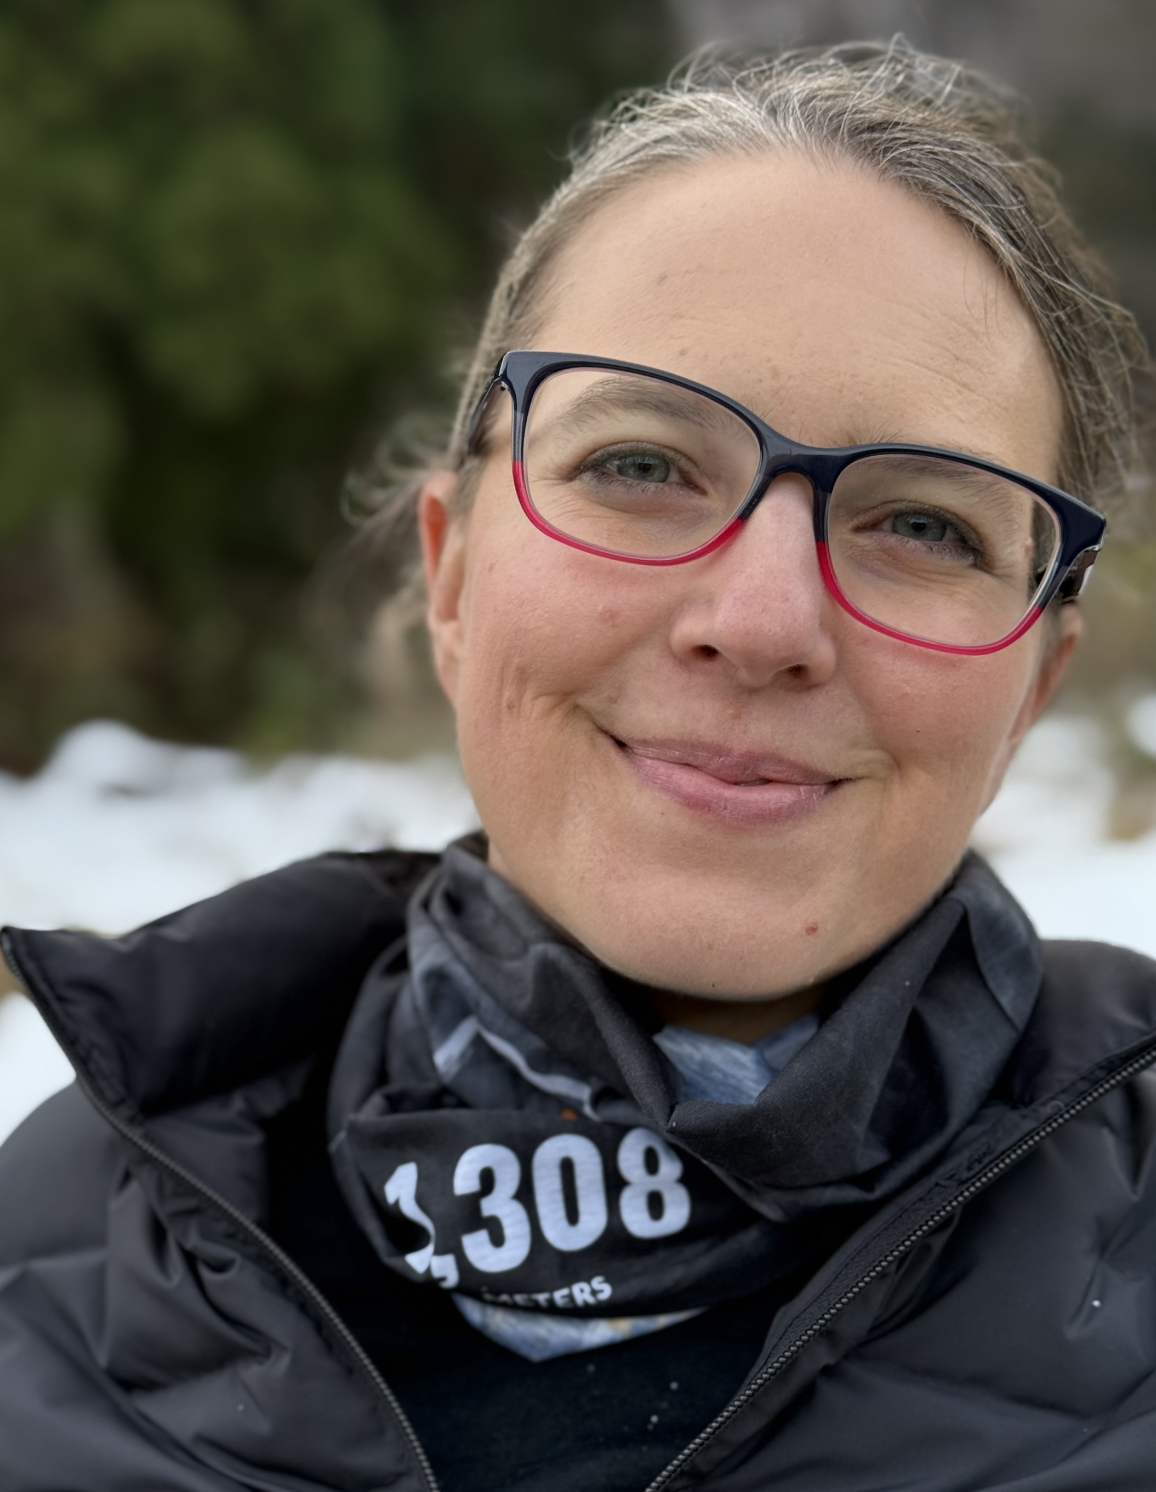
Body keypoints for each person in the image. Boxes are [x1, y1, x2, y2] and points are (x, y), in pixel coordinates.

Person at [1, 39, 1154, 1492]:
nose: (761, 622)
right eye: (641, 466)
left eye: (926, 526)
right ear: (455, 574)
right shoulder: (45, 1254)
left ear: (1033, 687)